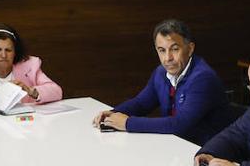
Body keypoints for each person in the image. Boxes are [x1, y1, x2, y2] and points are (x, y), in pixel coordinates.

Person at [92, 19, 230, 145]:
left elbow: (179, 124)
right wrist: (113, 113)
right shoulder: (161, 72)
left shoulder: (203, 78)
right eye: (162, 50)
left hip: (204, 153)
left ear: (190, 48)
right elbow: (141, 103)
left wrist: (128, 123)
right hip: (175, 146)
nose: (167, 58)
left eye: (175, 49)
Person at [0, 23, 63, 109]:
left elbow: (57, 91)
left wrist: (31, 91)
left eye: (8, 50)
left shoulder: (30, 65)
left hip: (25, 125)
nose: (4, 55)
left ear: (15, 52)